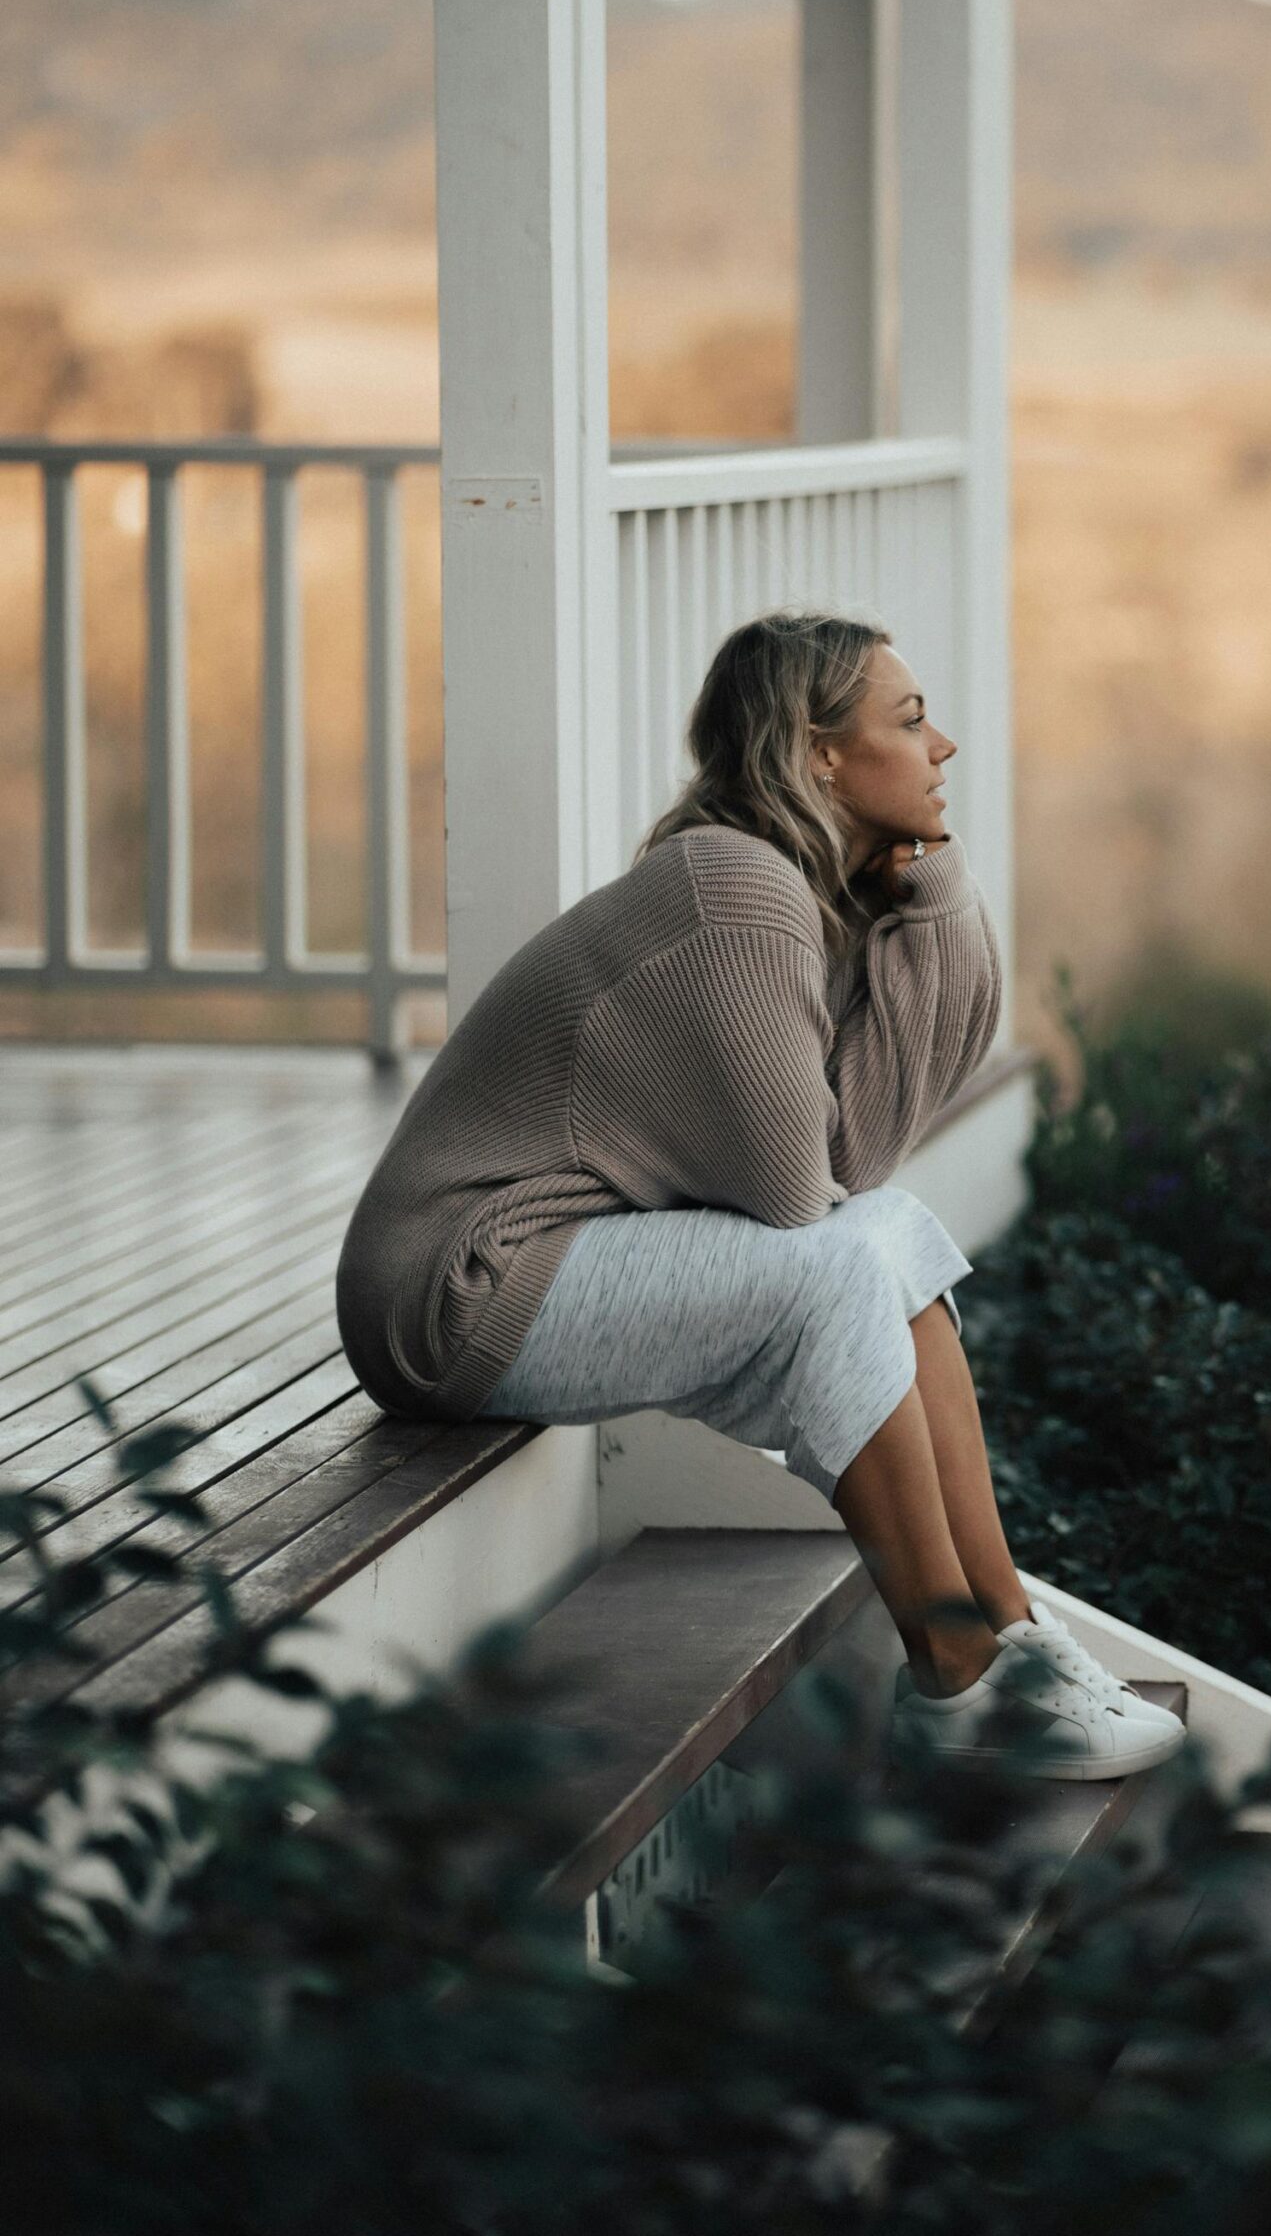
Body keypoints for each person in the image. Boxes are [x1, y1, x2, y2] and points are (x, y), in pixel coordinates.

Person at [335, 606, 1184, 1780]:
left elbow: (858, 1172)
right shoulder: (736, 888)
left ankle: (1017, 1635)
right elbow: (801, 1198)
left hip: (550, 1262)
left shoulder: (782, 884)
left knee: (890, 1233)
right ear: (820, 752)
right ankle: (956, 1678)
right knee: (849, 1254)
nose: (941, 748)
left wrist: (932, 892)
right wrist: (923, 895)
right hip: (456, 1291)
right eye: (911, 719)